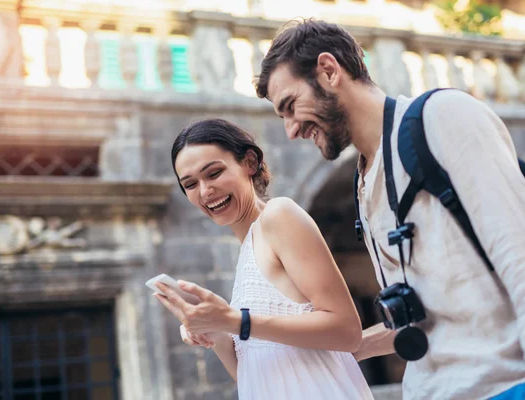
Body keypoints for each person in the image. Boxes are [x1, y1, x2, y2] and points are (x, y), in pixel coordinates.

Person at [253, 18, 525, 400]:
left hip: (507, 387)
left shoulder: (443, 117)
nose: (291, 130)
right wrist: (336, 346)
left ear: (329, 71)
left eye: (290, 106)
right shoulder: (364, 182)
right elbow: (427, 316)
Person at [153, 118, 374, 400]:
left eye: (214, 173)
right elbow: (252, 376)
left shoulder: (279, 216)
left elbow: (347, 331)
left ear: (249, 162)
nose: (205, 191)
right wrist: (216, 332)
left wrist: (236, 322)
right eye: (190, 184)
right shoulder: (247, 251)